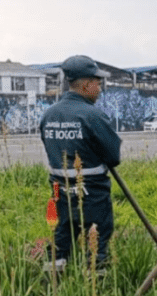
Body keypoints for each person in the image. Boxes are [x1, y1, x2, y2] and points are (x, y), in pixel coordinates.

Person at [39, 55, 122, 273]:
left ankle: (52, 288)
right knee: (96, 240)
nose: (100, 89)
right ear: (86, 84)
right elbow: (114, 157)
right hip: (92, 193)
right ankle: (96, 288)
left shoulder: (48, 115)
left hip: (59, 191)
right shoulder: (93, 116)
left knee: (59, 239)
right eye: (98, 83)